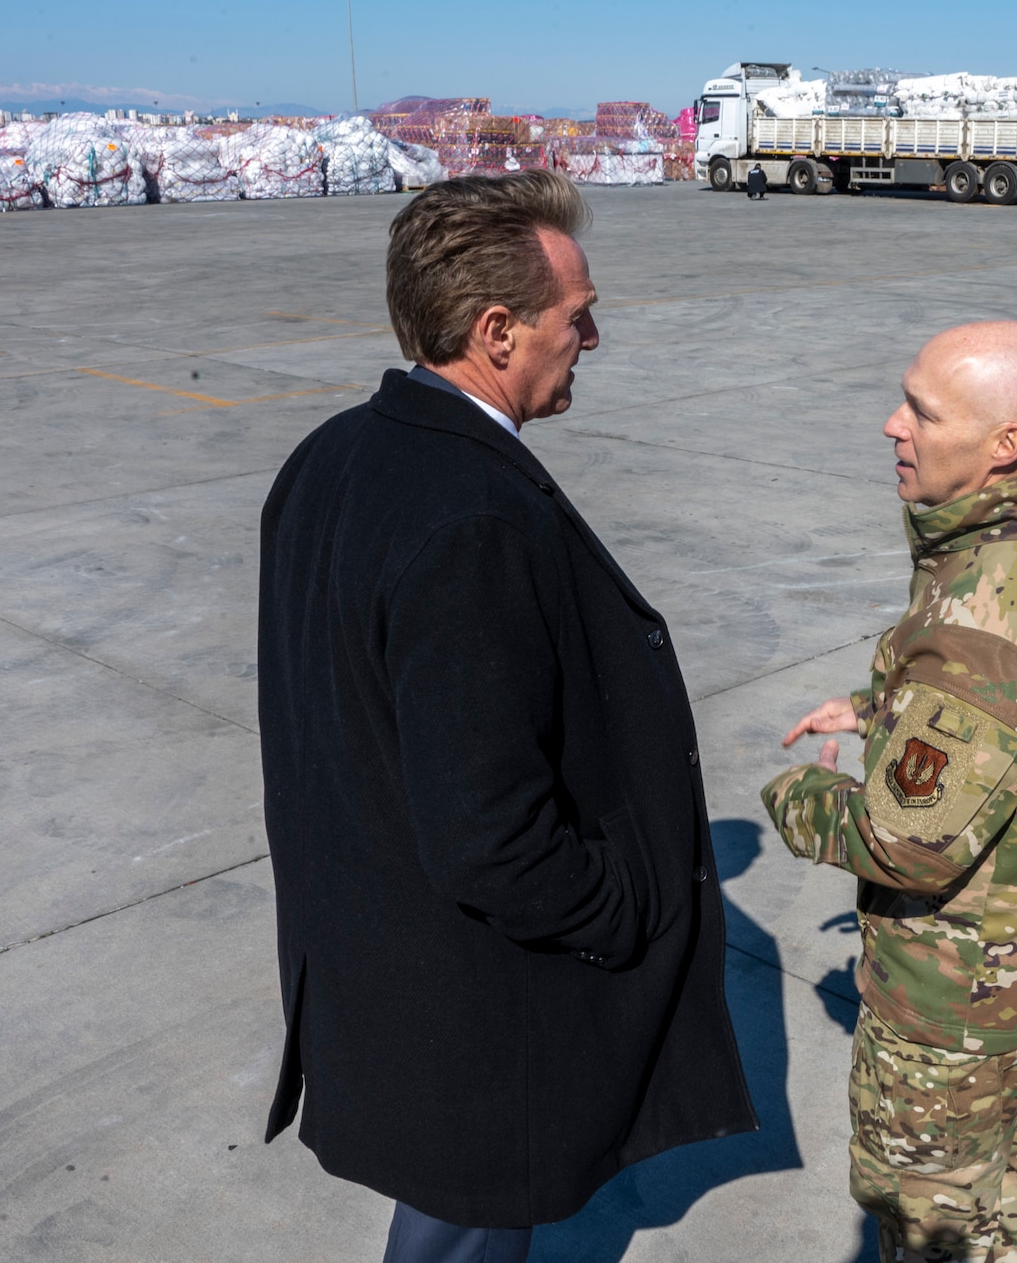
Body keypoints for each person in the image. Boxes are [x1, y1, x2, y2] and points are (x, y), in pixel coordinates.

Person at [258, 170, 756, 1263]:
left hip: (377, 956)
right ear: (496, 330)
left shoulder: (331, 454)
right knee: (465, 1232)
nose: (591, 338)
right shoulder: (473, 514)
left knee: (448, 1223)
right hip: (471, 1004)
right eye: (575, 318)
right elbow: (488, 836)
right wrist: (622, 912)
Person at [761, 322, 1017, 1263]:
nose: (891, 425)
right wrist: (887, 708)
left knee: (931, 1214)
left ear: (1005, 447)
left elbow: (905, 842)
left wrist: (796, 801)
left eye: (922, 411)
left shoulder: (987, 603)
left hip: (955, 999)